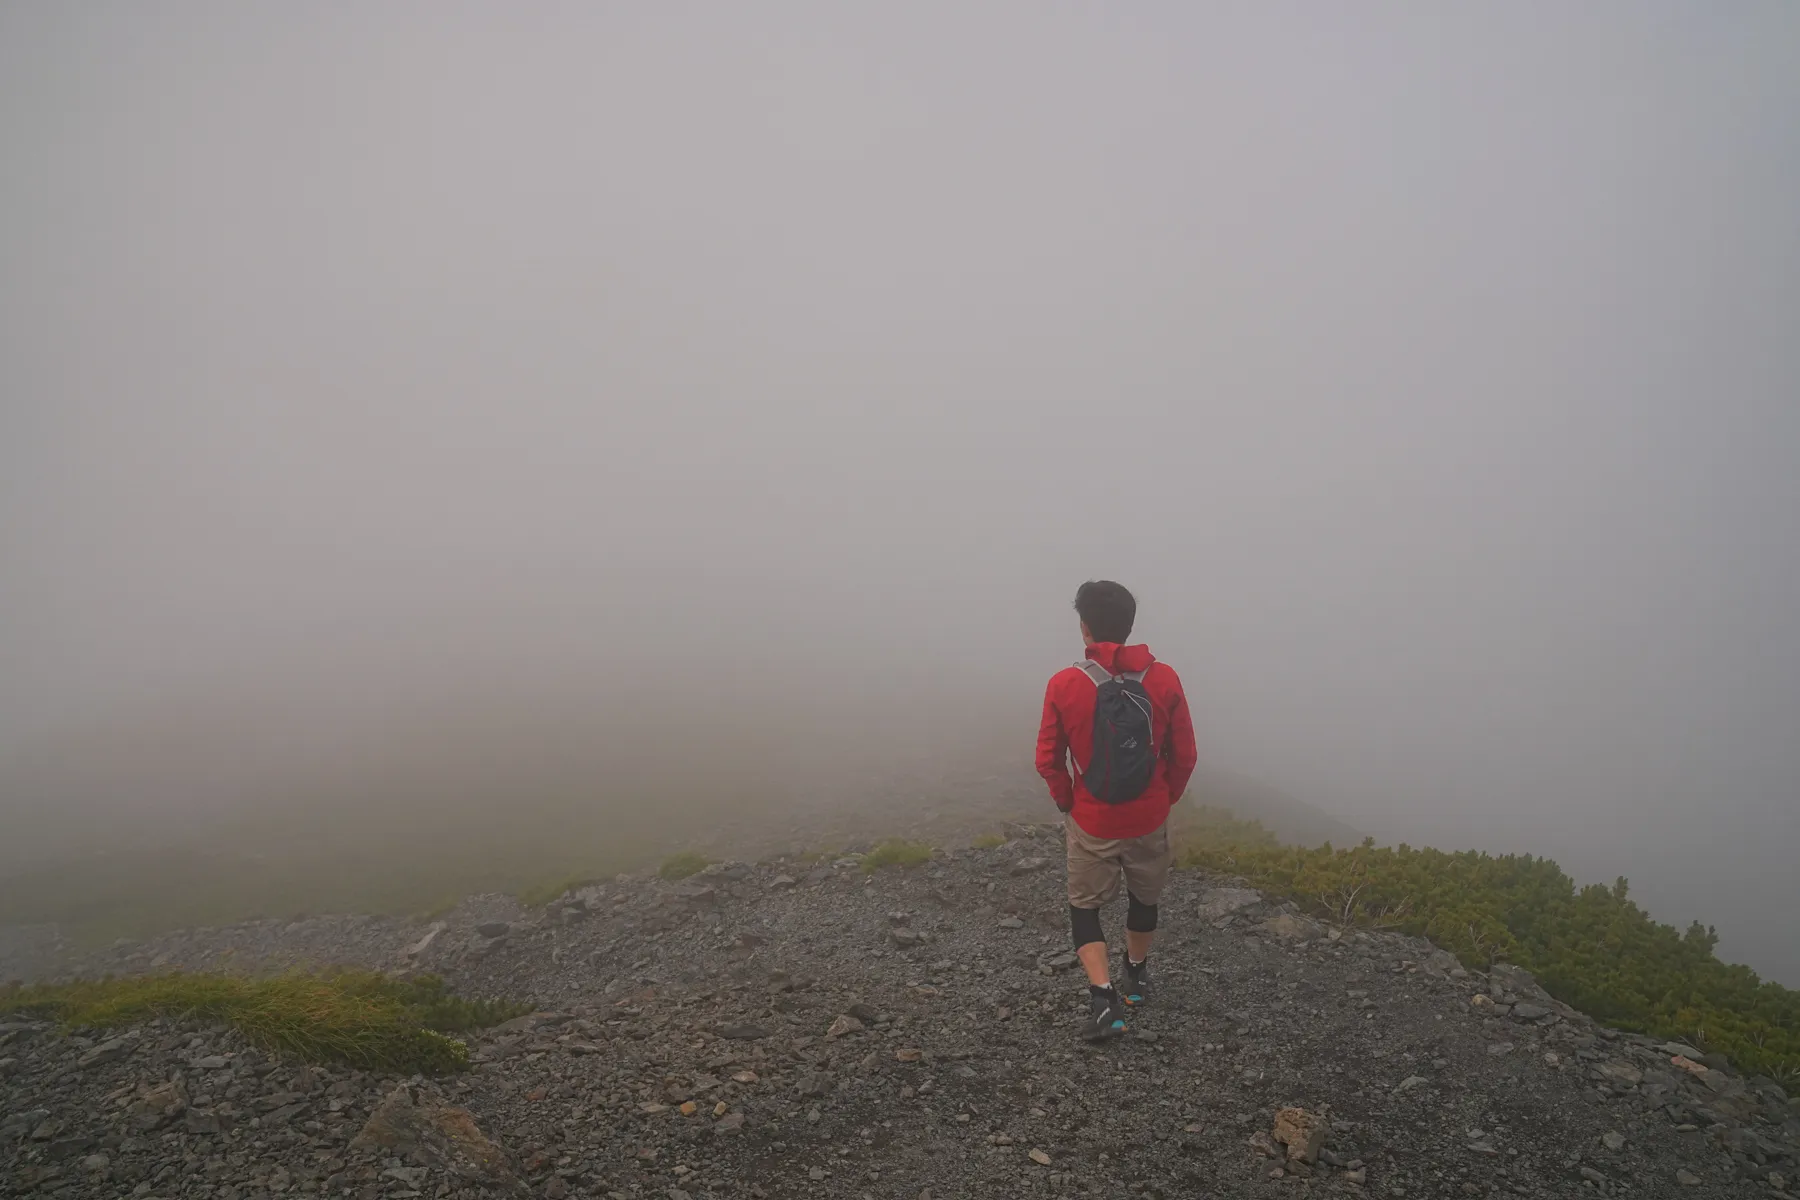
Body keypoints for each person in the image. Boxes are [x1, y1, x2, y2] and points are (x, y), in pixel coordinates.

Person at [1035, 580, 1198, 1040]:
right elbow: (1184, 754)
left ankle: (1104, 999)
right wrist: (1166, 799)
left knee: (1084, 906)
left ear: (1085, 628)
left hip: (1093, 817)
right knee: (1144, 898)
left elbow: (1048, 758)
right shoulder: (1164, 678)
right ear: (1128, 627)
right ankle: (1138, 975)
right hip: (1148, 816)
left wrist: (1068, 800)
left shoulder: (1065, 683)